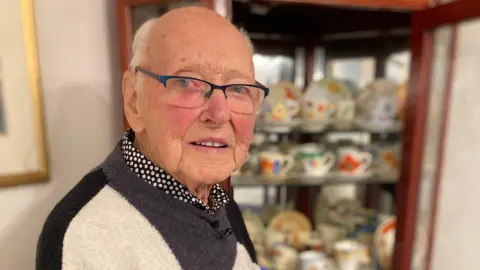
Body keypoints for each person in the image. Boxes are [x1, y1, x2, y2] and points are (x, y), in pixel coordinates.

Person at [36, 7, 269, 270]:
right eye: (187, 83)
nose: (218, 114)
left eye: (238, 89)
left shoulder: (220, 202)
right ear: (135, 101)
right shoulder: (84, 236)